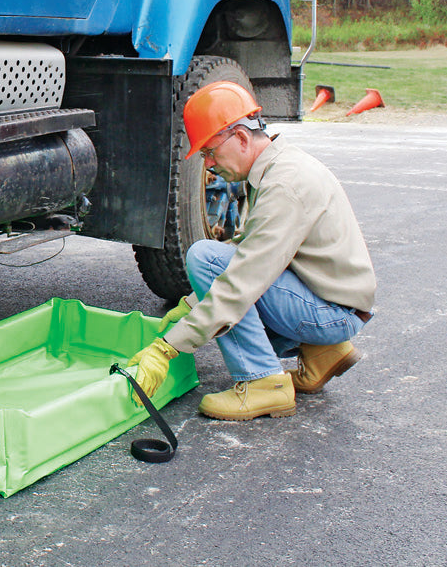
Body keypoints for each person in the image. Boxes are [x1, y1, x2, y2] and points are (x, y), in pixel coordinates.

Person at [127, 80, 376, 421]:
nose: (210, 164)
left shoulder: (284, 185)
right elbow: (250, 249)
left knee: (205, 258)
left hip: (333, 312)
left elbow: (242, 279)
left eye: (210, 152)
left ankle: (263, 383)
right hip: (334, 301)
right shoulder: (278, 167)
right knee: (220, 302)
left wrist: (166, 348)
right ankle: (323, 353)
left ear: (241, 138)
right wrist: (191, 305)